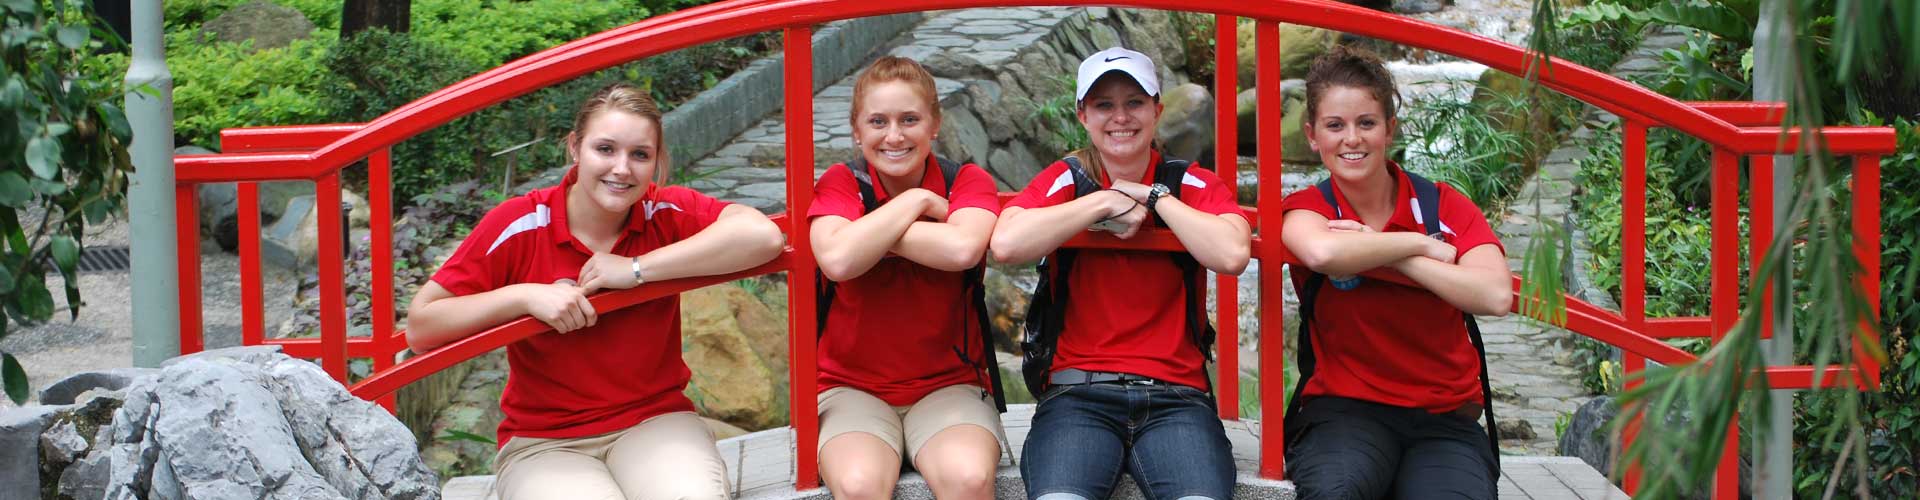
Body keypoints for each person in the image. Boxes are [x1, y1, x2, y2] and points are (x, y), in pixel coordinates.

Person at [403, 82, 785, 500]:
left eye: (640, 154)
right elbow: (422, 327)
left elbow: (761, 236)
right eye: (605, 149)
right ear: (574, 148)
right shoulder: (521, 223)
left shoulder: (663, 213)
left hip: (654, 422)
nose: (622, 169)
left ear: (657, 160)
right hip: (545, 442)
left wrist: (636, 269)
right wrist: (525, 296)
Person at [989, 47, 1251, 500]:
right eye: (1104, 105)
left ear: (1157, 110)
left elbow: (1232, 255)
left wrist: (1153, 197)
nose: (1120, 117)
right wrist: (1105, 201)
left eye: (1134, 103)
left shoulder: (1188, 182)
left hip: (1177, 397)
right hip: (1078, 394)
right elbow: (1007, 244)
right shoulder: (1068, 179)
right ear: (1083, 115)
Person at [1277, 46, 1513, 500]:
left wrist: (1386, 252)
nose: (1352, 139)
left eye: (1366, 123)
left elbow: (1494, 295)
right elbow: (1323, 253)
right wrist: (1419, 245)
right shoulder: (1310, 208)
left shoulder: (1444, 205)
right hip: (1344, 412)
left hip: (1445, 419)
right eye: (1335, 125)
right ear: (1311, 135)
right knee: (1336, 492)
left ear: (1390, 128)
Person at [807, 56, 1008, 500]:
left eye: (910, 119)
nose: (894, 135)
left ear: (934, 124)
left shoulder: (965, 180)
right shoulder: (842, 182)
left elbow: (962, 249)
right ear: (857, 131)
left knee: (969, 478)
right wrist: (917, 200)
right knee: (859, 486)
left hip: (950, 384)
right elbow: (838, 261)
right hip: (850, 389)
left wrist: (868, 234)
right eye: (878, 121)